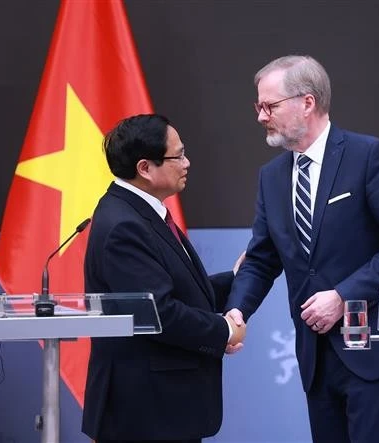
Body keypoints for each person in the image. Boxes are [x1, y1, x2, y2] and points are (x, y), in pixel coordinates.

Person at [225, 55, 379, 443]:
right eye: (259, 106)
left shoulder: (367, 156)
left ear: (307, 102)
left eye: (269, 106)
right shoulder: (271, 177)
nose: (261, 116)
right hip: (316, 357)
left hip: (374, 351)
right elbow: (262, 258)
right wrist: (237, 310)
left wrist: (344, 295)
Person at [82, 113, 245, 443]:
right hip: (144, 414)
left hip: (163, 411)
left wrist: (235, 279)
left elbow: (177, 294)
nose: (187, 163)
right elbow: (160, 313)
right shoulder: (124, 225)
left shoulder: (140, 212)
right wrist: (225, 329)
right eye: (178, 155)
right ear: (145, 168)